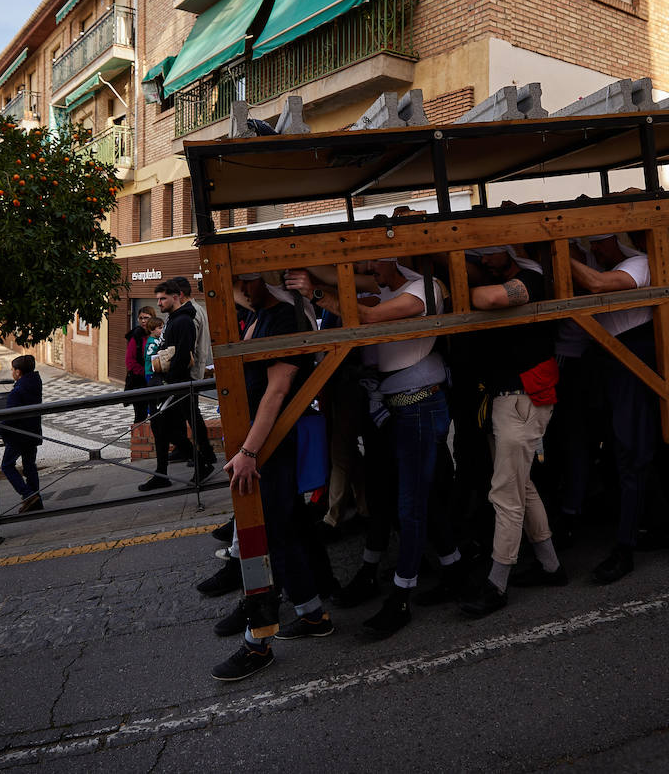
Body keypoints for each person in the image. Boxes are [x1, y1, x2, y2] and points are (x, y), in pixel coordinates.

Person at [286, 259, 460, 637]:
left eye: (373, 262)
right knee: (411, 497)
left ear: (393, 259)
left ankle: (401, 598)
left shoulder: (424, 289)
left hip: (418, 405)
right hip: (397, 405)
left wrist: (315, 292)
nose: (367, 270)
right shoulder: (391, 284)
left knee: (411, 504)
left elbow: (366, 315)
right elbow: (341, 277)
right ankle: (453, 569)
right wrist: (312, 274)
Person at [212, 273, 331, 681]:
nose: (239, 285)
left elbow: (277, 392)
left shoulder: (285, 317)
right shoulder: (260, 314)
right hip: (262, 445)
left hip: (270, 445)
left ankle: (258, 640)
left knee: (264, 538)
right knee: (284, 531)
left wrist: (249, 451)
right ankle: (313, 615)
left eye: (245, 278)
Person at [457, 246, 566, 619]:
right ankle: (551, 566)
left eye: (489, 254)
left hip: (521, 399)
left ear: (512, 251)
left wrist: (456, 286)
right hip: (509, 400)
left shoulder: (532, 278)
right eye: (479, 256)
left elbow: (487, 297)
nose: (483, 261)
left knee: (506, 493)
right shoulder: (510, 276)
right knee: (521, 485)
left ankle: (496, 583)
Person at [565, 234, 658, 584]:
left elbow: (596, 283)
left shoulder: (637, 264)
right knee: (625, 452)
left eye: (599, 245)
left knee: (631, 452)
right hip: (611, 361)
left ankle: (625, 546)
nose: (594, 251)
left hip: (630, 358)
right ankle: (650, 525)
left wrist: (555, 251)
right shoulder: (614, 262)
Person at [142, 279, 216, 489]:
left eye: (163, 298)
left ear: (177, 296)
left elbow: (184, 354)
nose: (159, 303)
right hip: (173, 382)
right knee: (164, 425)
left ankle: (200, 461)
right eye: (157, 298)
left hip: (178, 383)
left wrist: (169, 381)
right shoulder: (175, 318)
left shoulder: (184, 320)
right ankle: (168, 471)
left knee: (168, 426)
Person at [0, 354, 44, 513]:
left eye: (13, 369)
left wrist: (0, 430)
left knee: (7, 465)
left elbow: (11, 416)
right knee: (29, 465)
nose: (11, 372)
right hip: (32, 432)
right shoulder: (35, 383)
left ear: (18, 372)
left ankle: (29, 494)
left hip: (19, 434)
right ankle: (36, 501)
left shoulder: (18, 391)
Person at [124, 307, 157, 425]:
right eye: (141, 318)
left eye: (146, 318)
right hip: (139, 381)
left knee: (156, 413)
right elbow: (130, 361)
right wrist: (145, 371)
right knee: (140, 415)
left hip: (155, 379)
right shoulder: (135, 336)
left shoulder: (158, 334)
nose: (143, 321)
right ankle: (138, 440)